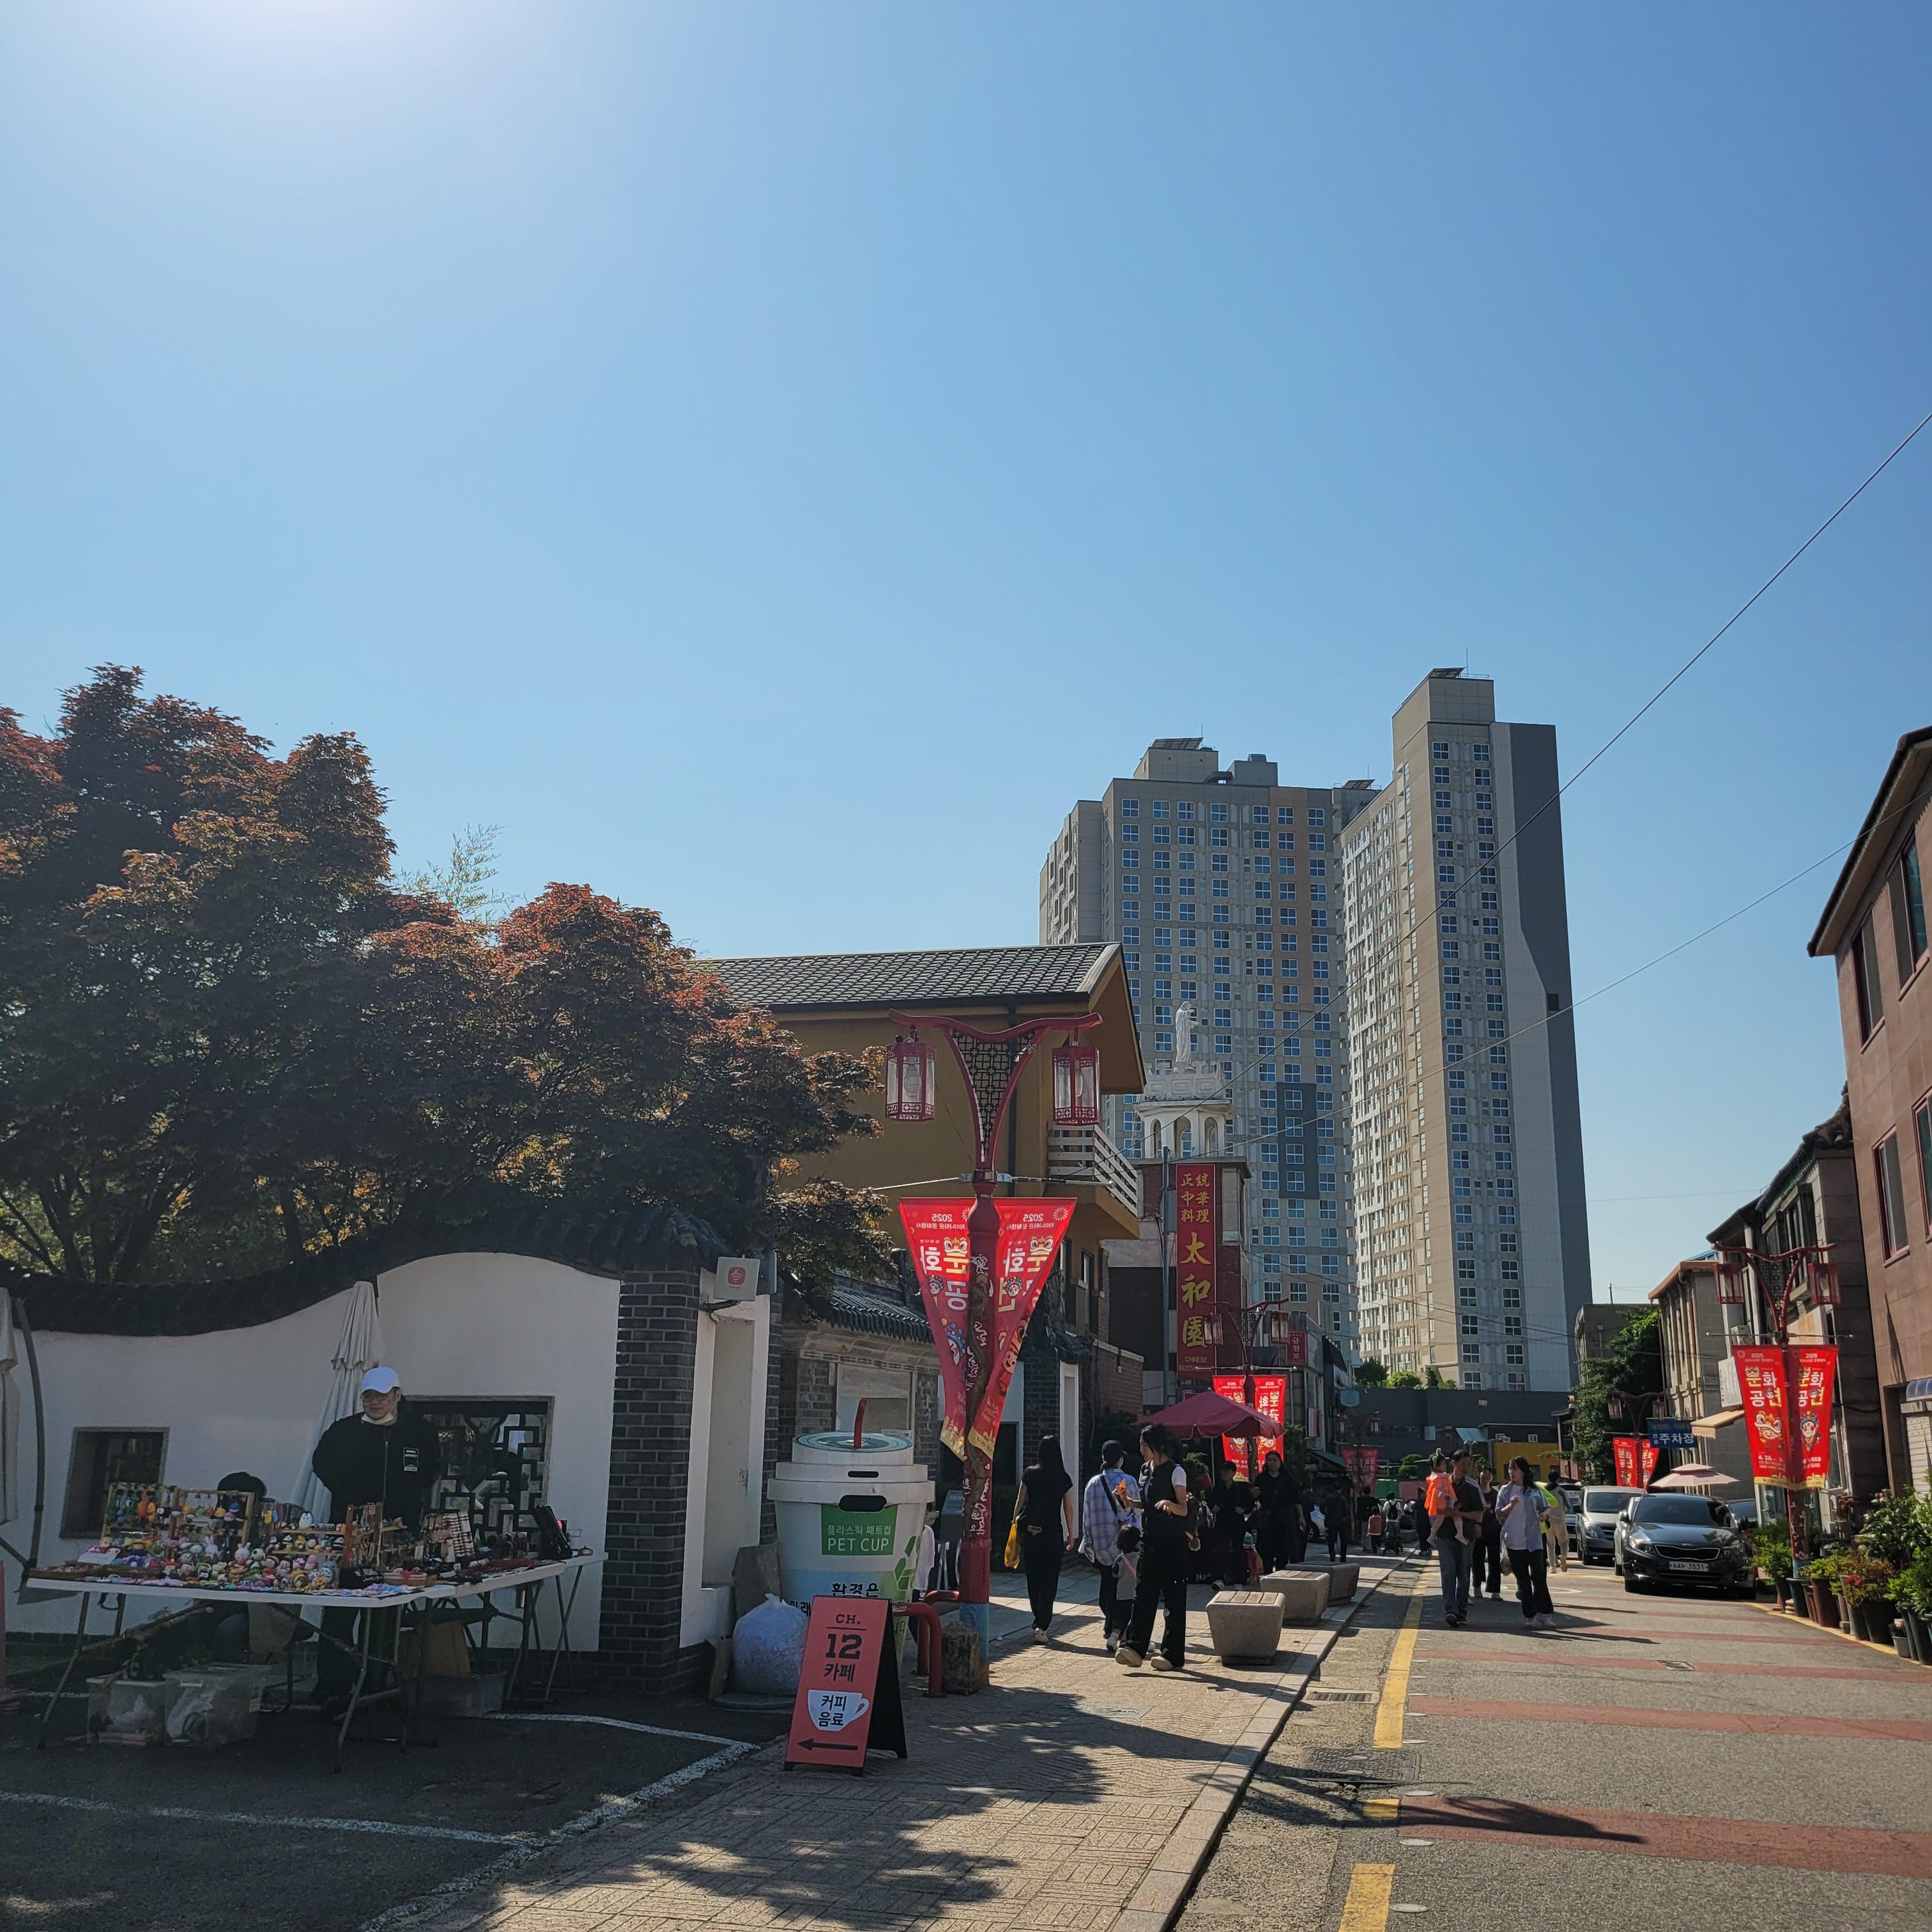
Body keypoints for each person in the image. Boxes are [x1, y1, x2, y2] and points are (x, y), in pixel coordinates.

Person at [309, 1365, 444, 1709]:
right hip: (350, 1534)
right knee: (341, 1608)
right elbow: (321, 1464)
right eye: (369, 1396)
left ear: (397, 1396)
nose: (375, 1402)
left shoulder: (419, 1432)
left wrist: (408, 1500)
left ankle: (376, 1682)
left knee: (385, 1611)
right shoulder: (343, 1432)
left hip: (398, 1536)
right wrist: (350, 1495)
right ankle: (333, 1684)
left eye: (382, 1396)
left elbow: (432, 1469)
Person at [1117, 1422, 1191, 1673]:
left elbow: (1183, 1509)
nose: (1141, 1450)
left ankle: (1173, 1655)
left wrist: (1170, 1505)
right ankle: (1135, 1647)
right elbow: (1147, 1503)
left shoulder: (1176, 1471)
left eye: (1144, 1446)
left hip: (1173, 1542)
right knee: (1143, 1594)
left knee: (1173, 1598)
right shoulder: (1145, 1470)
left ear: (1158, 1446)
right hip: (1150, 1539)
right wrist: (1130, 1502)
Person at [1078, 1441, 1142, 1653]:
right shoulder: (1127, 1481)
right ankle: (1117, 1629)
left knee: (1107, 1585)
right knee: (1124, 1591)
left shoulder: (1092, 1483)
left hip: (1100, 1545)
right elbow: (1133, 1512)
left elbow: (1086, 1517)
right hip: (1123, 1545)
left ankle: (1112, 1627)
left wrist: (1088, 1541)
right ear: (1120, 1459)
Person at [1012, 1434, 1076, 1642]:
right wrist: (1071, 1533)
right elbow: (1068, 1507)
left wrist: (1014, 1522)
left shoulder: (1030, 1474)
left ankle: (1038, 1617)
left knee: (1033, 1579)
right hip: (1052, 1535)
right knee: (1050, 1580)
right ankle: (1042, 1624)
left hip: (1031, 1534)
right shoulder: (1063, 1478)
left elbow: (1021, 1499)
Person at [1496, 1456, 1556, 1628]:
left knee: (1539, 1577)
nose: (1511, 1472)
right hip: (1513, 1541)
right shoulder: (1505, 1491)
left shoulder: (1534, 1490)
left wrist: (1545, 1515)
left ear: (1523, 1471)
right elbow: (1498, 1513)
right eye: (1510, 1468)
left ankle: (1545, 1614)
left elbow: (1546, 1508)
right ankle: (1531, 1616)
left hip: (1533, 1540)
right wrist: (1509, 1507)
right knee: (1523, 1580)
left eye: (1515, 1468)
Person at [1430, 1448, 1484, 1627]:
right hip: (1445, 1534)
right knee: (1448, 1572)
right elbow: (1431, 1507)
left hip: (1466, 1536)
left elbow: (1479, 1514)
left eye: (1469, 1465)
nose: (1466, 1468)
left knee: (1463, 1574)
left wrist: (1459, 1513)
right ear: (1453, 1464)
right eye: (1463, 1464)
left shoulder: (1472, 1487)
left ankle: (1461, 1610)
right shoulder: (1441, 1484)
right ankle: (1451, 1611)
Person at [1255, 1451, 1296, 1572]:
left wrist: (1300, 1517)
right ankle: (1268, 1573)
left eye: (1275, 1460)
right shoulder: (1261, 1478)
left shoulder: (1287, 1478)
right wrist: (1253, 1493)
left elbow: (1295, 1499)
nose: (1272, 1463)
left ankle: (1281, 1573)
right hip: (1267, 1519)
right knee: (1266, 1550)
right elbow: (1254, 1497)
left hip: (1284, 1518)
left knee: (1283, 1550)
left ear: (1280, 1462)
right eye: (1269, 1460)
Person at [1475, 1473, 1504, 1600]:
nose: (1487, 1475)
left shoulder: (1496, 1494)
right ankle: (1477, 1586)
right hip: (1479, 1531)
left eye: (1489, 1472)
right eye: (1484, 1471)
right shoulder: (1476, 1492)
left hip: (1494, 1531)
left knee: (1495, 1561)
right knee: (1477, 1560)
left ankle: (1495, 1591)